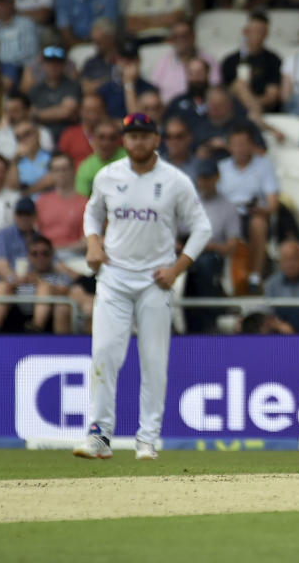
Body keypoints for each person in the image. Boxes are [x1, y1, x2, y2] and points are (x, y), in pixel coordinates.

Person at [74, 112, 211, 461]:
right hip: (114, 277)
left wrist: (177, 269)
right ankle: (99, 436)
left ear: (156, 140)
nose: (137, 141)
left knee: (153, 361)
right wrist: (93, 243)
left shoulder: (175, 181)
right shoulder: (108, 176)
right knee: (105, 353)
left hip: (155, 280)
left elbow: (202, 228)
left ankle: (147, 440)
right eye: (131, 136)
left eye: (143, 136)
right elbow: (92, 214)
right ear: (124, 140)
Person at [217, 126, 279, 293]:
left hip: (252, 213)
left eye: (243, 144)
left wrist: (263, 210)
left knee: (258, 223)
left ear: (252, 145)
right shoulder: (221, 167)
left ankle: (254, 276)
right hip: (227, 215)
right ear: (229, 146)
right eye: (235, 144)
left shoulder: (264, 165)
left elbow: (273, 201)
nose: (239, 149)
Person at [183, 159, 240, 333]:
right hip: (185, 252)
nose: (205, 182)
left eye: (209, 177)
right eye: (202, 178)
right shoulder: (188, 203)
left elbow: (232, 246)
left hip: (213, 255)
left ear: (217, 178)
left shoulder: (228, 207)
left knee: (204, 265)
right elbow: (173, 232)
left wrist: (209, 246)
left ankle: (209, 318)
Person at [0, 232, 73, 333]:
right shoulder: (20, 274)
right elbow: (6, 287)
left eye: (45, 253)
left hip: (49, 316)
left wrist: (39, 282)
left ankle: (36, 327)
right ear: (28, 256)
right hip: (16, 312)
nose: (40, 257)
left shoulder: (61, 275)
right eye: (34, 253)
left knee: (44, 288)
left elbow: (64, 291)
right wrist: (16, 283)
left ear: (52, 255)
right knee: (1, 286)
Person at [221, 13, 282, 117]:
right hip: (234, 109)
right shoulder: (229, 61)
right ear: (245, 31)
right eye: (255, 31)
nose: (258, 35)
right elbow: (224, 93)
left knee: (240, 86)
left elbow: (272, 97)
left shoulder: (273, 60)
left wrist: (249, 100)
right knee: (239, 84)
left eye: (262, 32)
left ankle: (255, 115)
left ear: (266, 33)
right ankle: (257, 119)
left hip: (264, 110)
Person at [150, 20, 221, 104]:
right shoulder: (164, 61)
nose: (180, 40)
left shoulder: (208, 60)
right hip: (169, 110)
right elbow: (152, 91)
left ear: (193, 37)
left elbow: (216, 90)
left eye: (184, 36)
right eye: (176, 36)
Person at [29, 45, 81, 138]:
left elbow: (66, 112)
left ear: (63, 65)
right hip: (41, 136)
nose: (53, 66)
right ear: (43, 65)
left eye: (57, 63)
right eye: (49, 63)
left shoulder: (73, 86)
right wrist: (58, 111)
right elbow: (29, 114)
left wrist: (38, 115)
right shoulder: (35, 90)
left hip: (67, 134)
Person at [75, 121, 126, 197]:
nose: (107, 143)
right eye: (102, 137)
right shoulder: (85, 168)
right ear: (94, 139)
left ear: (119, 140)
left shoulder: (130, 159)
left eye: (112, 138)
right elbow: (81, 200)